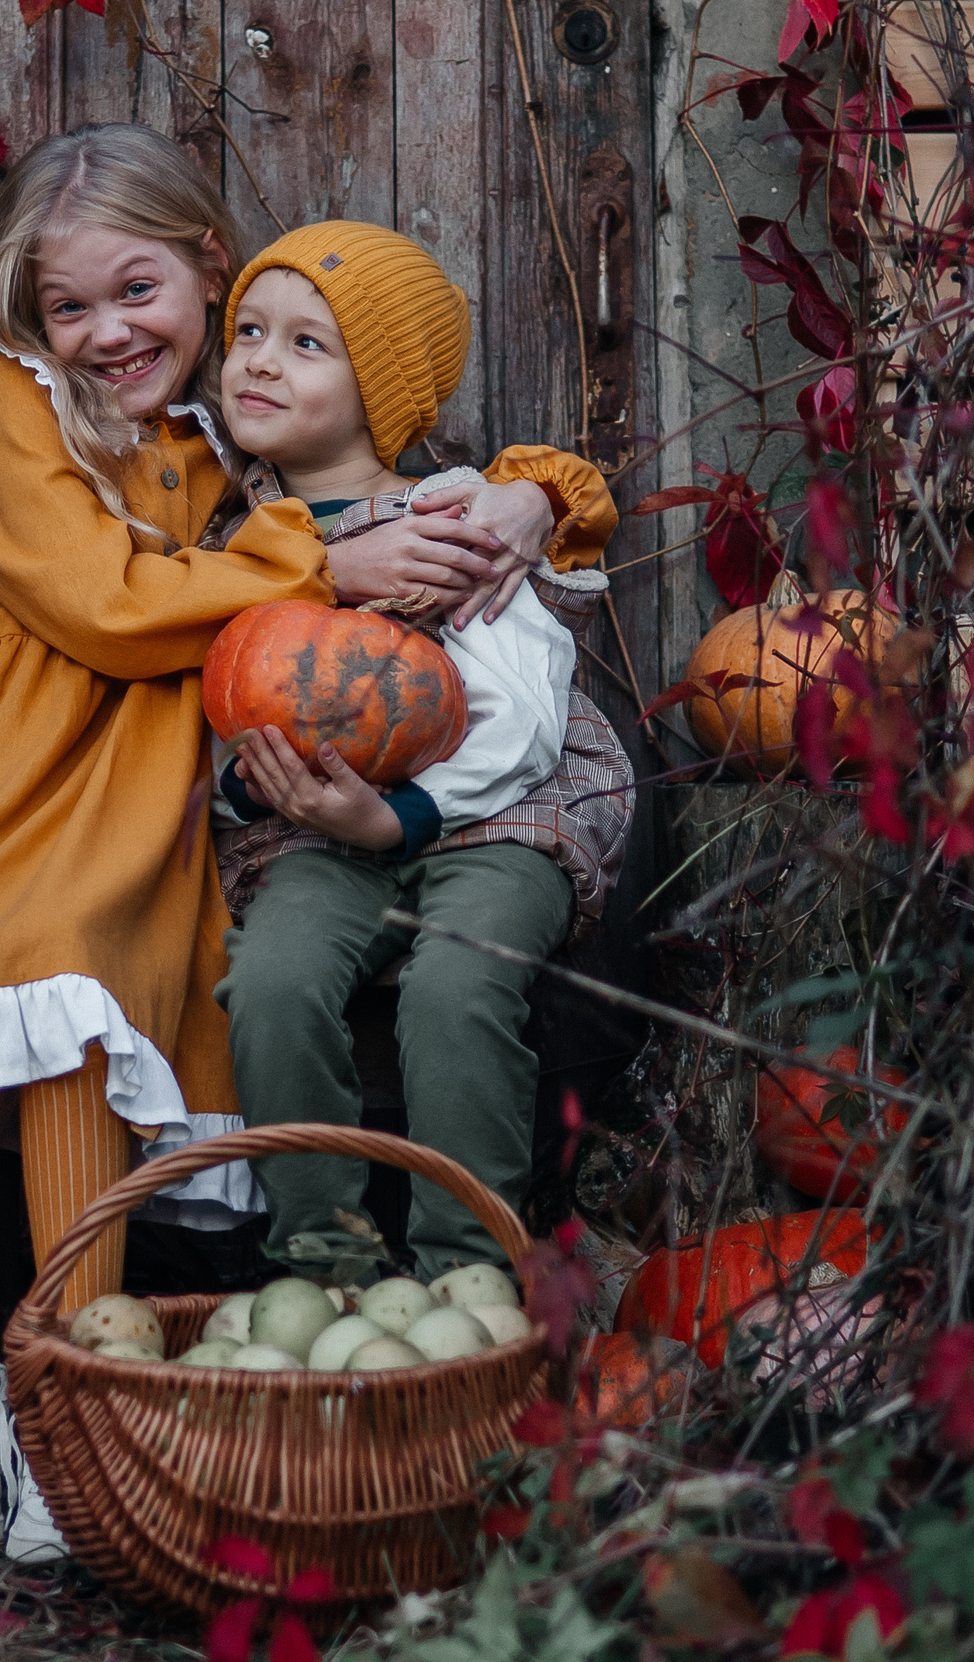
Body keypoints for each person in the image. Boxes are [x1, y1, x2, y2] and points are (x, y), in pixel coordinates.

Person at [0, 130, 614, 1557]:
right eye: (73, 307)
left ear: (208, 283)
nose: (111, 331)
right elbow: (107, 602)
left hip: (127, 786)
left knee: (78, 998)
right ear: (30, 322)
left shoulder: (230, 415)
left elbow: (416, 428)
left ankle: (70, 1384)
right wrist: (323, 563)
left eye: (141, 291)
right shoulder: (16, 402)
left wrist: (537, 493)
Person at [208, 221, 635, 1283]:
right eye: (249, 330)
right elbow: (213, 708)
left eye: (309, 344)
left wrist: (404, 818)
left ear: (383, 391)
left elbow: (523, 711)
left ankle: (467, 1273)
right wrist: (243, 787)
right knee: (270, 979)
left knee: (457, 983)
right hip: (315, 833)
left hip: (495, 821)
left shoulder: (451, 518)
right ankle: (324, 1268)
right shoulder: (229, 542)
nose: (260, 358)